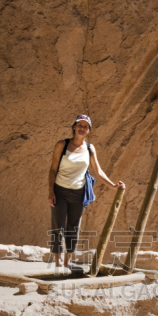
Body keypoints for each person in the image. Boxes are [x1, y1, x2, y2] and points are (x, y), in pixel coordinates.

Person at [48, 114, 125, 268]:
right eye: (80, 125)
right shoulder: (61, 145)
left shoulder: (90, 149)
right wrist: (51, 192)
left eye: (86, 126)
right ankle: (57, 263)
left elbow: (98, 171)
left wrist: (113, 185)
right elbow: (52, 170)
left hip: (78, 193)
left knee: (73, 227)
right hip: (60, 190)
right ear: (74, 127)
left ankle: (67, 262)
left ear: (89, 130)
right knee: (58, 226)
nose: (82, 128)